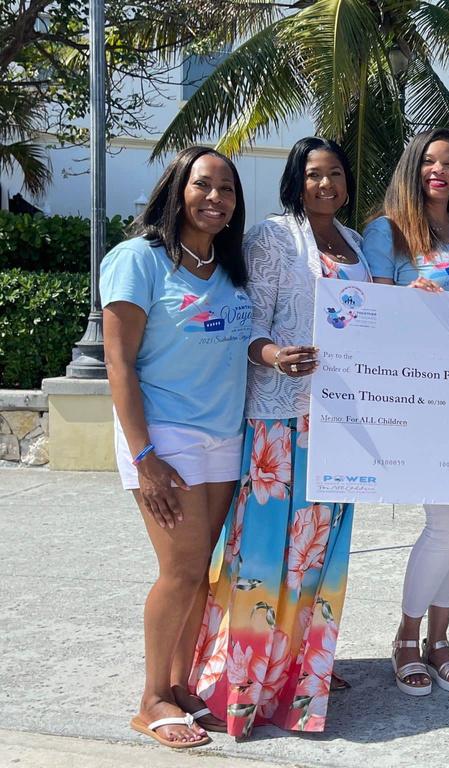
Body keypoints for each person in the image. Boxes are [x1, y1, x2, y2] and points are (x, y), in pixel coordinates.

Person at [189, 137, 371, 737]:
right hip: (279, 420)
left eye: (335, 174)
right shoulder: (272, 237)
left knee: (318, 558)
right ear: (296, 180)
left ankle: (298, 677)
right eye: (314, 174)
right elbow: (247, 324)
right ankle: (243, 686)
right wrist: (275, 355)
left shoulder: (357, 244)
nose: (326, 184)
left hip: (340, 423)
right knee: (264, 558)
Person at [101, 146, 250, 748]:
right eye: (203, 185)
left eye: (227, 189)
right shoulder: (137, 260)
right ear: (176, 190)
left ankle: (181, 687)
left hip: (225, 435)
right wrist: (144, 457)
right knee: (180, 571)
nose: (216, 198)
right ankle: (151, 700)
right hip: (165, 438)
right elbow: (118, 364)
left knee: (201, 573)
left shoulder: (230, 266)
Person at [362, 127, 449, 696]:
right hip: (424, 397)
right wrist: (404, 300)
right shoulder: (387, 231)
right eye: (429, 161)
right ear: (412, 167)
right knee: (446, 521)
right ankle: (407, 637)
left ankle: (439, 640)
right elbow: (369, 311)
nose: (440, 171)